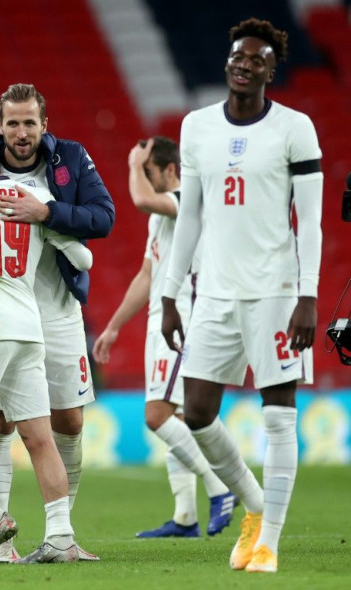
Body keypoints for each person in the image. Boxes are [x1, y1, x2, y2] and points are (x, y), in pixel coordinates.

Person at [161, 19, 323, 574]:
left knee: (278, 416)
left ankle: (269, 542)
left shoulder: (295, 128)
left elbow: (313, 222)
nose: (244, 63)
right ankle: (254, 505)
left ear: (270, 70)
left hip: (275, 293)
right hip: (214, 295)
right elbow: (189, 216)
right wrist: (169, 293)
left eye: (256, 58)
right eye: (238, 55)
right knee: (198, 413)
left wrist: (309, 295)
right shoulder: (197, 127)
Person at [0, 83, 115, 562]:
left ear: (44, 125)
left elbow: (104, 218)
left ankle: (60, 532)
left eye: (30, 123)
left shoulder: (70, 159)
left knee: (67, 421)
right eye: (12, 123)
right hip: (3, 305)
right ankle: (0, 543)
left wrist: (47, 210)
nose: (21, 132)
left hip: (56, 308)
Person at [92, 137, 237, 538]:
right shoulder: (161, 218)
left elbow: (139, 200)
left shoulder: (185, 197)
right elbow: (146, 274)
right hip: (161, 321)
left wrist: (132, 164)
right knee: (172, 417)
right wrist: (115, 325)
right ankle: (186, 516)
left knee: (157, 415)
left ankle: (222, 485)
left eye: (150, 171)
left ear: (170, 169)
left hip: (183, 322)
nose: (146, 178)